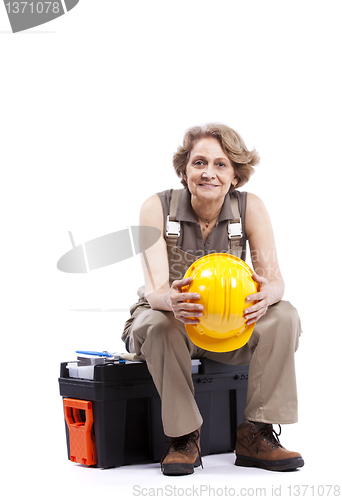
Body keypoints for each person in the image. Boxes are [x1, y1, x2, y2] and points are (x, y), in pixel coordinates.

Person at [122, 123, 304, 476]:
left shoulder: (250, 208)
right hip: (170, 323)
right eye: (199, 163)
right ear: (184, 170)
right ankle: (184, 437)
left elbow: (276, 281)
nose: (209, 173)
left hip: (229, 331)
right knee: (159, 325)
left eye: (221, 165)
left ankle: (256, 433)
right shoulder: (156, 208)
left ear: (236, 175)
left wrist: (268, 294)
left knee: (285, 315)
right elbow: (156, 290)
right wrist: (171, 300)